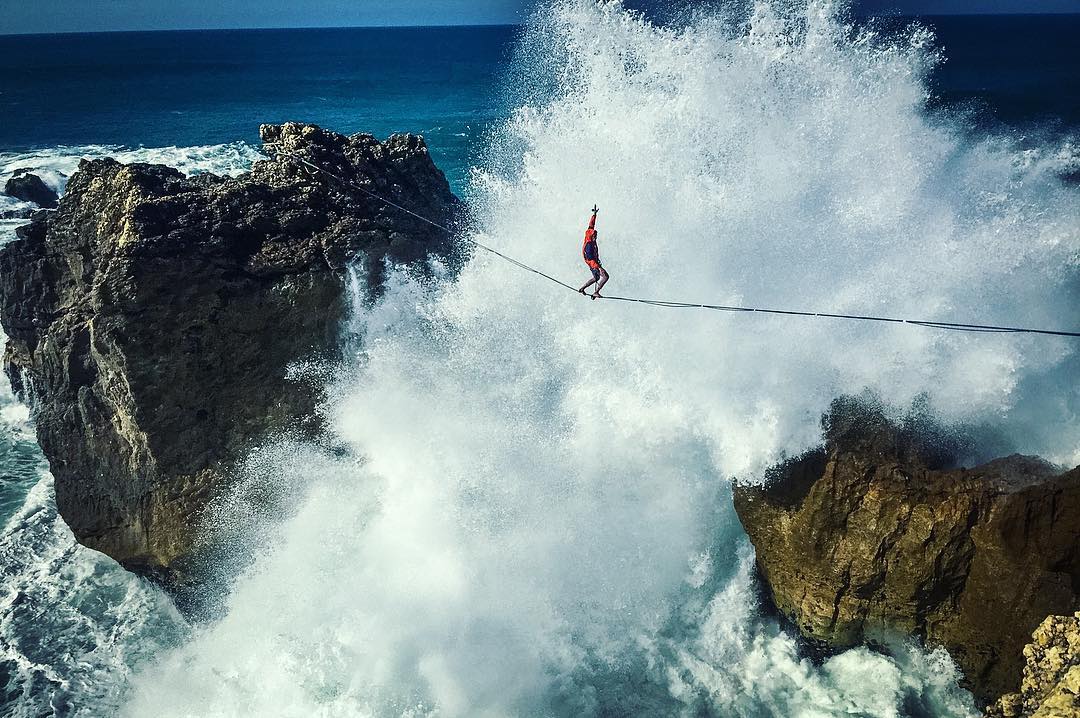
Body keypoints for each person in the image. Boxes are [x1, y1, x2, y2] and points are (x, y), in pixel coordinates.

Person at [578, 205, 609, 299]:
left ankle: (582, 288)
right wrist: (599, 268)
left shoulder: (589, 233)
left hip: (593, 262)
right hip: (592, 263)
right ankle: (596, 292)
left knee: (596, 278)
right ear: (592, 236)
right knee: (605, 276)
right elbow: (590, 259)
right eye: (595, 236)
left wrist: (594, 215)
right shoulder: (589, 246)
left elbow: (591, 224)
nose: (596, 237)